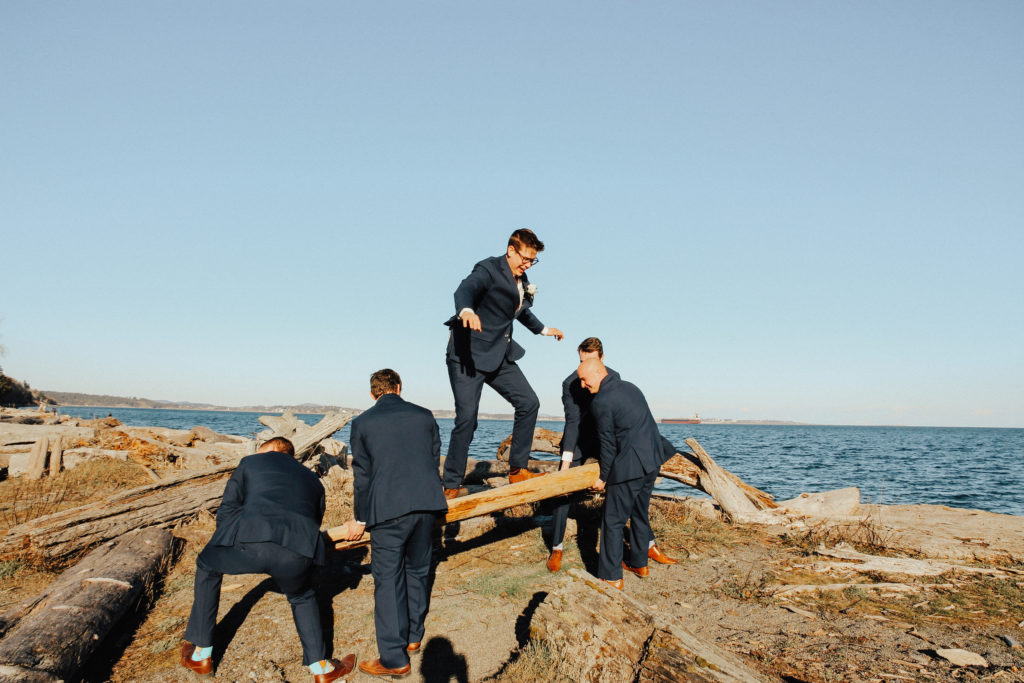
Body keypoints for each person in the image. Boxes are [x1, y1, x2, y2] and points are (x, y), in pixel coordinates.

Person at [181, 437, 354, 682]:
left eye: (261, 449)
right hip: (298, 552)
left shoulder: (251, 463)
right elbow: (314, 520)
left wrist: (224, 541)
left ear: (273, 448)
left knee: (207, 566)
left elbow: (229, 507)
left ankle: (201, 655)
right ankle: (322, 669)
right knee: (303, 596)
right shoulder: (313, 481)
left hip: (250, 540)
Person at [340, 369, 449, 678]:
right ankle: (414, 636)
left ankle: (393, 658)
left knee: (388, 581)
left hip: (386, 509)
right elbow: (432, 459)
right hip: (426, 505)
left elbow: (362, 474)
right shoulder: (424, 415)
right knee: (417, 571)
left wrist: (360, 517)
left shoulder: (363, 422)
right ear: (399, 387)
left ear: (373, 393)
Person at [443, 229, 564, 498]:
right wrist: (466, 310)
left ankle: (517, 470)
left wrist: (544, 330)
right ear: (511, 250)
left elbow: (520, 311)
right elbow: (465, 289)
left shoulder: (522, 278)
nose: (528, 264)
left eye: (533, 260)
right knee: (467, 420)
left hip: (500, 354)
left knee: (529, 403)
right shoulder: (488, 269)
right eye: (526, 258)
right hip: (468, 356)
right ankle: (451, 485)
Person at [547, 338, 678, 572]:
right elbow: (573, 422)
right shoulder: (571, 383)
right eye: (581, 361)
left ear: (601, 360)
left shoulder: (613, 377)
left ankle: (646, 547)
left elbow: (620, 419)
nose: (584, 366)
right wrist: (566, 462)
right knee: (562, 492)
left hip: (609, 439)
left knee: (632, 493)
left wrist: (608, 472)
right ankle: (556, 548)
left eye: (589, 360)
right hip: (581, 439)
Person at [577, 358, 676, 589]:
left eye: (584, 379)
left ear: (599, 372)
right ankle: (640, 564)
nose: (583, 385)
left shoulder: (600, 401)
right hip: (652, 460)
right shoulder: (631, 387)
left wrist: (603, 478)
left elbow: (608, 445)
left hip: (629, 466)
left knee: (612, 521)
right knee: (640, 512)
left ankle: (611, 577)